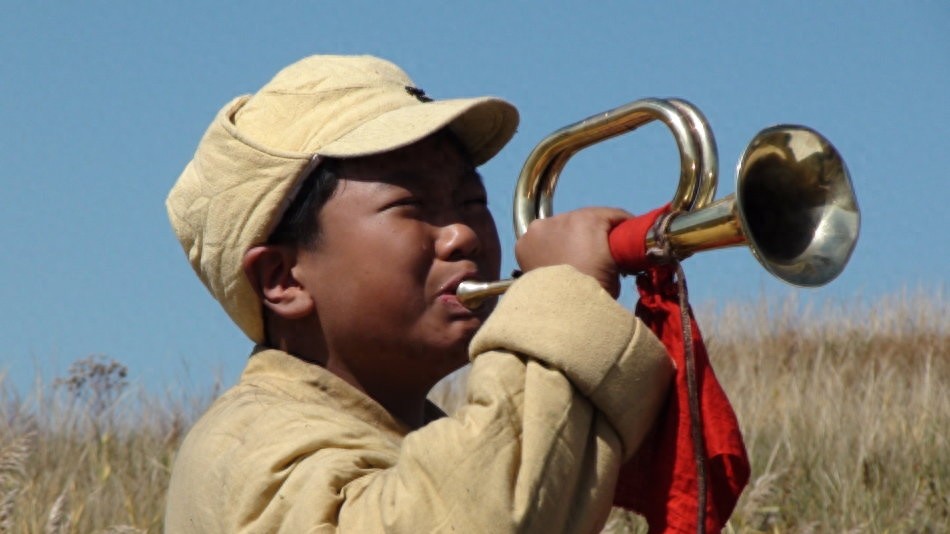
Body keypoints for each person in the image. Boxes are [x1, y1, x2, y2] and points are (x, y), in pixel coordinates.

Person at [164, 54, 673, 533]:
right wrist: (566, 304)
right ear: (283, 278)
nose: (464, 234)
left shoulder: (416, 437)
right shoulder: (246, 446)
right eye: (410, 204)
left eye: (472, 200)